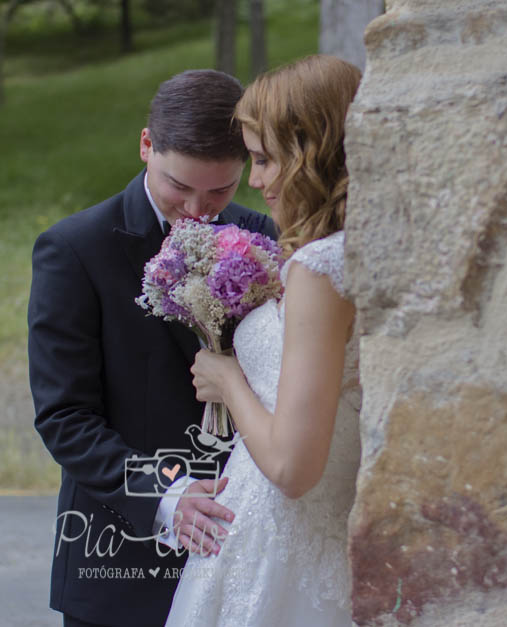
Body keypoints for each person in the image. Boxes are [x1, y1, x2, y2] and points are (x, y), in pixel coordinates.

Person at [28, 70, 277, 627]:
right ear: (146, 145)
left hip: (245, 548)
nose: (198, 208)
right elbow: (65, 417)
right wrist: (169, 496)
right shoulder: (74, 250)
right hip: (119, 560)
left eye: (220, 190)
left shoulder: (261, 236)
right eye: (179, 186)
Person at [164, 55, 362, 626]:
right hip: (263, 534)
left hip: (287, 545)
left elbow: (293, 468)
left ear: (312, 153)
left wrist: (228, 380)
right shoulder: (336, 254)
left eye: (263, 158)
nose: (254, 181)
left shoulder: (322, 270)